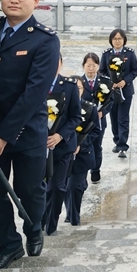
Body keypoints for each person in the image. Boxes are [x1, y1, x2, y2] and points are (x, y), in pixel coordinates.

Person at [0, 0, 60, 269]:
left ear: (35, 1)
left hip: (26, 131)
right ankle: (7, 246)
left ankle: (34, 228)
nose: (14, 0)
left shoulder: (45, 40)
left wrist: (4, 134)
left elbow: (34, 93)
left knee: (29, 190)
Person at [42, 58, 81, 236]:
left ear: (61, 64)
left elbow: (75, 117)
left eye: (56, 62)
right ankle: (38, 222)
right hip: (38, 145)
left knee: (57, 187)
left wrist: (59, 135)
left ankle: (51, 226)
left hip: (62, 146)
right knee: (37, 188)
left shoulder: (69, 86)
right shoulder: (35, 83)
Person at [65, 78, 102, 226]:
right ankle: (69, 212)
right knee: (64, 186)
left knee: (75, 187)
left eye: (79, 88)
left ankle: (74, 217)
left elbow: (96, 131)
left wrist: (81, 144)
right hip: (64, 154)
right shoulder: (61, 107)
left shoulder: (90, 108)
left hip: (82, 154)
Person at [99, 29, 137, 158]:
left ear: (124, 40)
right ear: (111, 40)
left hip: (125, 91)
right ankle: (117, 140)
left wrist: (125, 81)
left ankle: (123, 145)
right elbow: (101, 71)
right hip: (111, 92)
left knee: (123, 118)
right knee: (114, 117)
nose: (117, 41)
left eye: (119, 39)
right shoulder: (106, 54)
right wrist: (110, 82)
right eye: (115, 39)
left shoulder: (130, 53)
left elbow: (135, 70)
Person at [81, 53, 107, 183]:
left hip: (99, 121)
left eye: (94, 65)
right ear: (83, 66)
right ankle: (82, 172)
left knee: (97, 146)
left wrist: (103, 111)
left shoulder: (104, 82)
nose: (91, 69)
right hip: (83, 122)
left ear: (98, 66)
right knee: (83, 145)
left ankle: (95, 170)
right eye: (88, 65)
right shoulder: (78, 83)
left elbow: (111, 101)